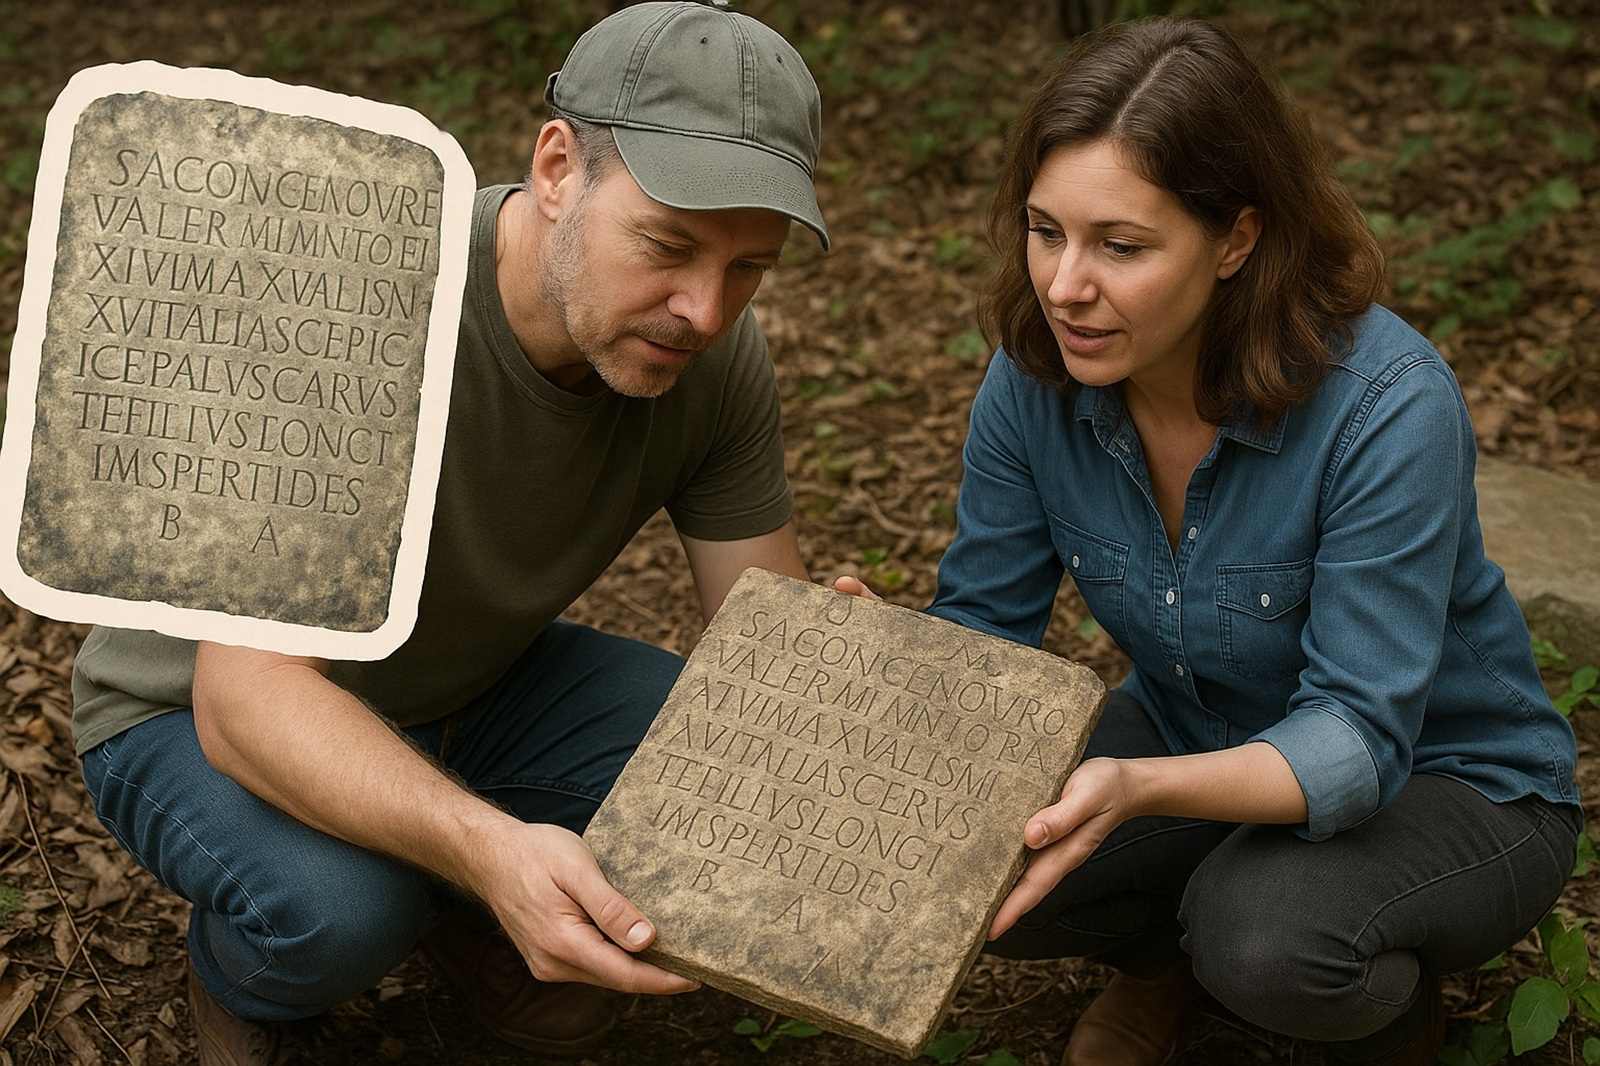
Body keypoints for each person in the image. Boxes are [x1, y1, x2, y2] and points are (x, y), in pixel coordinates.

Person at [69, 4, 829, 1063]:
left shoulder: (713, 353)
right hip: (190, 708)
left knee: (716, 806)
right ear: (558, 169)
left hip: (473, 685)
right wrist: (485, 849)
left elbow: (764, 652)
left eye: (749, 266)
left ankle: (466, 902)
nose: (702, 309)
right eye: (667, 245)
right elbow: (243, 696)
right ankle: (253, 973)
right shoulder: (356, 300)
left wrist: (832, 672)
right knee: (338, 915)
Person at [834, 16, 1579, 1066]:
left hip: (1451, 780)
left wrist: (1137, 788)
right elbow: (983, 635)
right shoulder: (1037, 373)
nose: (1063, 286)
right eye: (1045, 230)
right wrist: (894, 666)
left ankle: (1380, 1004)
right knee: (970, 859)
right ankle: (1162, 959)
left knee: (1264, 936)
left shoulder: (1385, 404)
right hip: (1199, 734)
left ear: (1236, 239)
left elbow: (1360, 739)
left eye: (1120, 245)